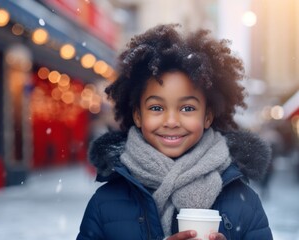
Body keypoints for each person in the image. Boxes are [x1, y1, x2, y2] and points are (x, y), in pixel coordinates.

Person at [77, 24, 273, 240]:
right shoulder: (105, 203)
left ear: (207, 116)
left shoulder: (244, 203)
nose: (171, 121)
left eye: (187, 108)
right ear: (138, 115)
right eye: (156, 108)